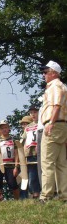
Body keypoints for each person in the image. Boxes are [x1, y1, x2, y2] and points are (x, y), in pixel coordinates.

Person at [39, 60, 67, 202]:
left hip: (54, 125)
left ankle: (46, 196)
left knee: (47, 161)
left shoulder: (55, 86)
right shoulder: (61, 86)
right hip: (61, 125)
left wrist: (50, 123)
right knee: (61, 162)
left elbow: (56, 106)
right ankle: (64, 195)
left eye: (46, 72)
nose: (43, 75)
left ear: (54, 73)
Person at [0, 120, 19, 200]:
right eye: (2, 128)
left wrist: (16, 166)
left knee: (12, 183)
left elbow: (16, 153)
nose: (4, 129)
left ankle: (17, 200)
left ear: (9, 128)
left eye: (6, 127)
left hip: (10, 164)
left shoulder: (13, 140)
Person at [21, 105, 41, 198]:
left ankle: (44, 192)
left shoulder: (42, 123)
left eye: (35, 112)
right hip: (29, 153)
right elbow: (23, 139)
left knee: (42, 172)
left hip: (41, 151)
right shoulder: (28, 126)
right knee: (31, 174)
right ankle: (35, 193)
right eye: (31, 113)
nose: (33, 114)